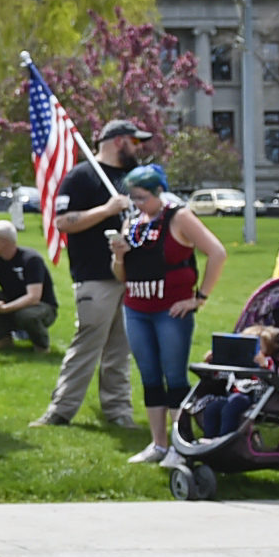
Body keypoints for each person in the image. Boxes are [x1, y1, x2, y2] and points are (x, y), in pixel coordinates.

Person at [30, 121, 150, 429]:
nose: (139, 148)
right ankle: (61, 410)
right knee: (88, 343)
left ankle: (118, 410)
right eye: (135, 142)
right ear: (118, 141)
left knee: (121, 349)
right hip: (95, 276)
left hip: (131, 275)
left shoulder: (131, 178)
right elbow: (63, 222)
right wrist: (106, 209)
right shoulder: (82, 176)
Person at [113, 163, 227, 464]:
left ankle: (181, 445)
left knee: (174, 376)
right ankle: (158, 443)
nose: (137, 204)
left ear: (158, 192)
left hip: (170, 310)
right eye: (133, 198)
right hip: (136, 307)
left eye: (142, 197)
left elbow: (217, 252)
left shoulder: (180, 217)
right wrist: (118, 255)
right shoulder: (133, 223)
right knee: (150, 377)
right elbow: (120, 275)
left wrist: (199, 298)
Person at [0, 221, 58, 352]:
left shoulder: (31, 259)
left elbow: (33, 297)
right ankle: (1, 339)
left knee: (27, 315)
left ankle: (41, 346)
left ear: (4, 242)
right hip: (11, 304)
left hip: (40, 306)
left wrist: (4, 309)